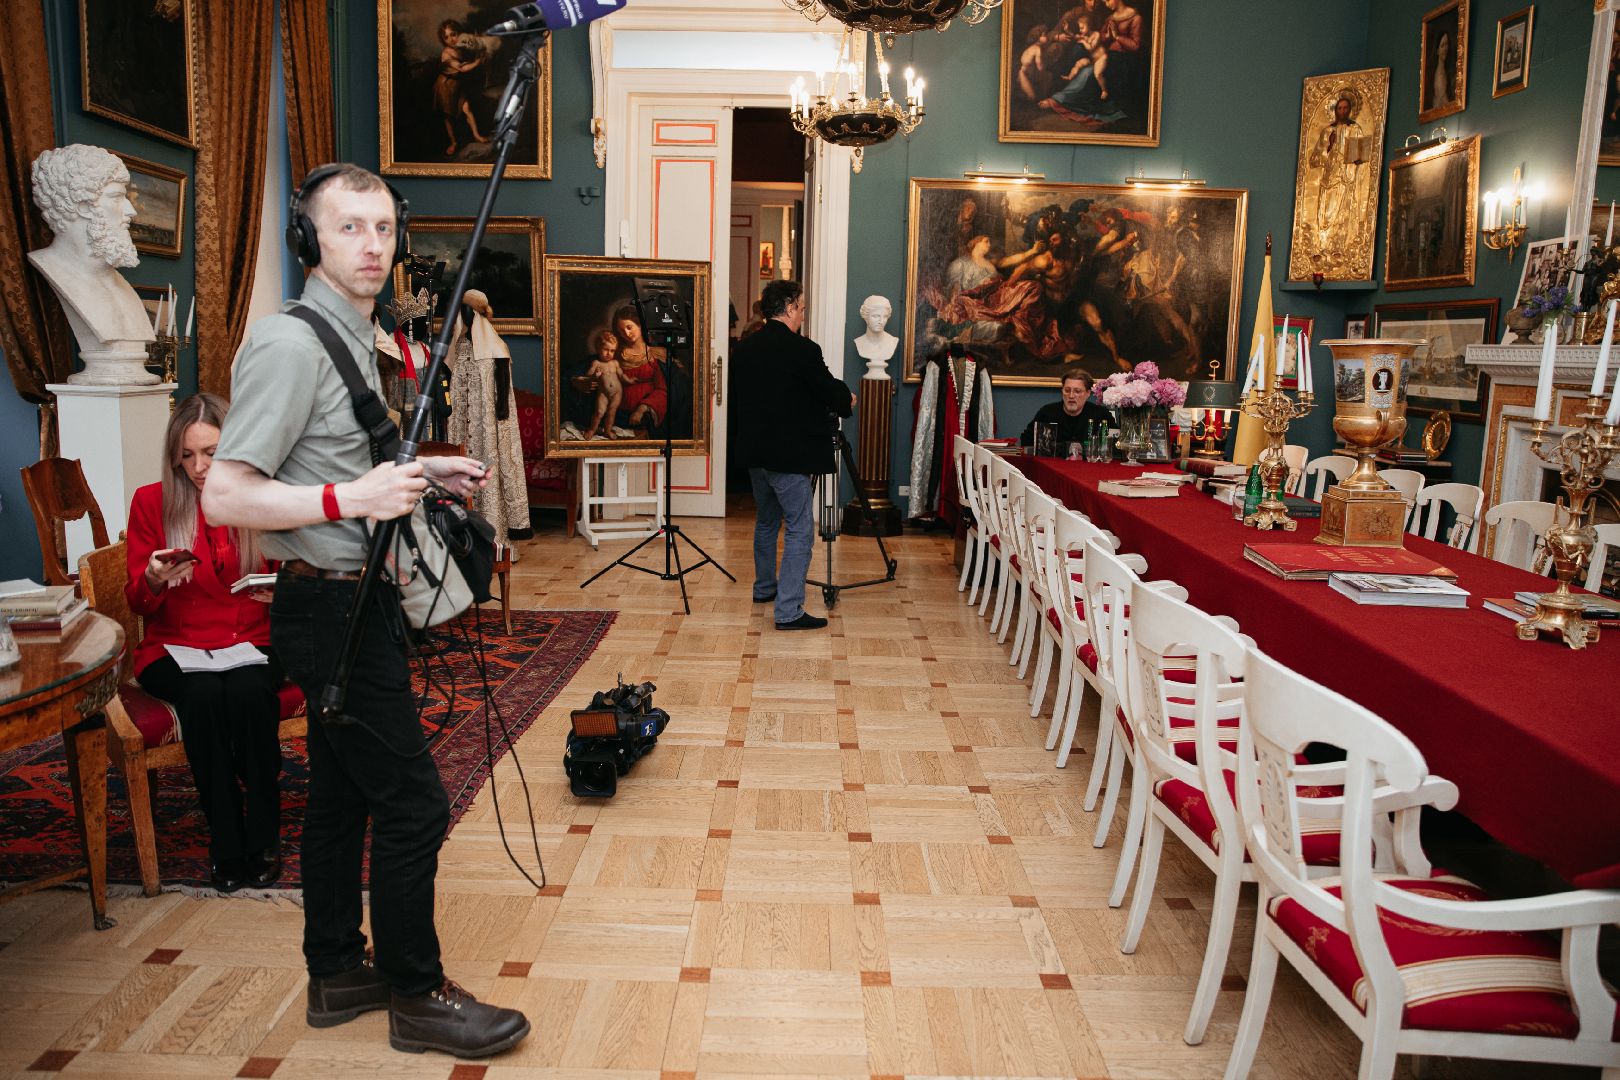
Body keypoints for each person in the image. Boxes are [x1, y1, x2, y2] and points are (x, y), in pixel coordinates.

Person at [202, 163, 529, 1059]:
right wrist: (353, 500)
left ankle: (339, 970)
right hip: (326, 605)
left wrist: (420, 471)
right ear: (307, 239)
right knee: (416, 805)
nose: (372, 245)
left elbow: (331, 456)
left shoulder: (353, 335)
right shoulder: (289, 344)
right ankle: (418, 994)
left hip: (354, 599)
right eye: (349, 227)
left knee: (341, 799)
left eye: (383, 228)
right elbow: (225, 495)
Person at [125, 394, 282, 894]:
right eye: (187, 455)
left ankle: (263, 835)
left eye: (211, 453)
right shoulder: (151, 502)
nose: (198, 467)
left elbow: (294, 574)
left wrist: (280, 590)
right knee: (204, 697)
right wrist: (153, 579)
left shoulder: (260, 497)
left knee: (249, 693)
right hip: (174, 647)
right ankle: (227, 841)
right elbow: (137, 604)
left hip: (252, 638)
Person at [731, 279, 854, 630]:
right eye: (800, 308)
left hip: (755, 454)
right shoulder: (803, 350)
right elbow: (828, 390)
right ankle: (788, 611)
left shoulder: (745, 349)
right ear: (788, 308)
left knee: (767, 521)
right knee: (800, 528)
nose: (802, 314)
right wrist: (847, 400)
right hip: (788, 456)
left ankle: (765, 588)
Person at [26, 144, 158, 386]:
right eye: (117, 197)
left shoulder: (122, 288)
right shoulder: (53, 268)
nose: (131, 211)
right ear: (83, 206)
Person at [1019, 366, 1113, 451]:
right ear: (1062, 391)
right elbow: (1026, 440)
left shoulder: (1101, 415)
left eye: (1077, 391)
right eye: (1067, 390)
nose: (1071, 396)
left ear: (1088, 393)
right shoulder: (1047, 413)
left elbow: (1114, 445)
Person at [584, 328, 625, 438]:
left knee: (612, 412)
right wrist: (594, 375)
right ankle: (592, 430)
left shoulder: (615, 363)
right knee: (599, 411)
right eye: (606, 349)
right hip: (603, 393)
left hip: (617, 392)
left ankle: (607, 430)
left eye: (612, 351)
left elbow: (621, 375)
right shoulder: (596, 363)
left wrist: (629, 380)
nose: (609, 353)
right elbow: (588, 375)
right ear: (598, 349)